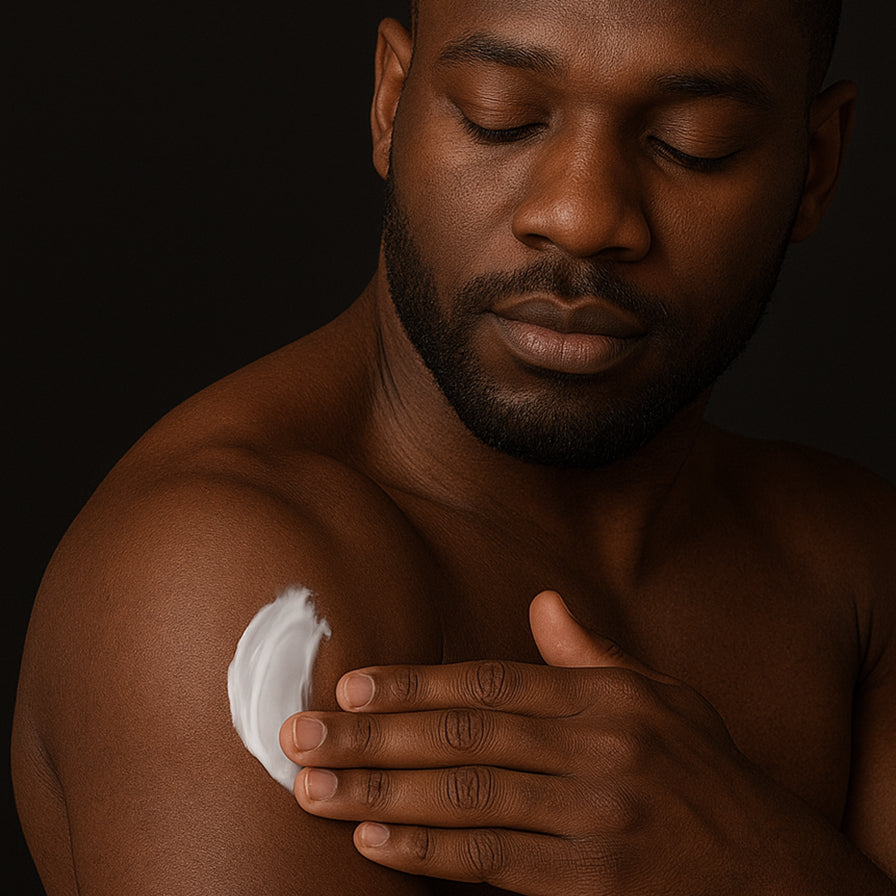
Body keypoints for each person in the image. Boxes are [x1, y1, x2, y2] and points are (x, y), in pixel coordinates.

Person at [12, 0, 896, 893]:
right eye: (499, 117)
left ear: (816, 165)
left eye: (692, 144)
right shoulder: (226, 575)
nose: (581, 215)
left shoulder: (856, 565)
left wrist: (771, 867)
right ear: (390, 105)